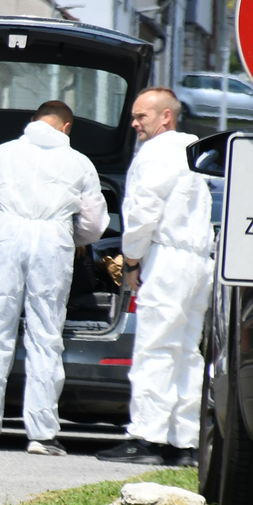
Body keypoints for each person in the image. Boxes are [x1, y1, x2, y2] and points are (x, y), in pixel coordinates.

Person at [0, 101, 107, 456]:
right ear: (66, 128)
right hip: (52, 242)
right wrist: (69, 237)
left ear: (33, 121)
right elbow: (93, 224)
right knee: (45, 334)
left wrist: (5, 229)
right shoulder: (79, 163)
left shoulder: (4, 152)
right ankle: (41, 434)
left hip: (7, 235)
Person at [98, 88, 212, 466]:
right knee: (186, 352)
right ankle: (185, 442)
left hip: (167, 258)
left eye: (141, 116)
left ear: (166, 116)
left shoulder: (156, 153)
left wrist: (131, 262)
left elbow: (142, 213)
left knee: (154, 349)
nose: (134, 124)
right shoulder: (197, 151)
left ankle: (145, 437)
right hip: (199, 260)